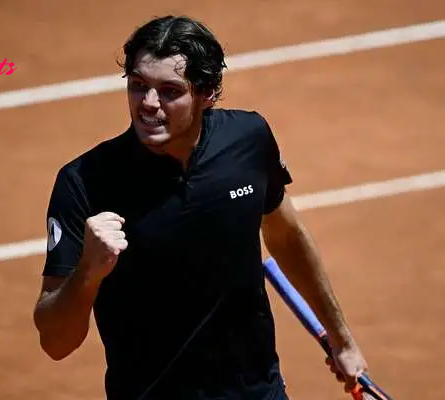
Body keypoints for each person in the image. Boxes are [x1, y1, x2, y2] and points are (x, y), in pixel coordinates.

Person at [33, 15, 369, 400]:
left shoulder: (247, 140)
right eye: (138, 86)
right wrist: (87, 274)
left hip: (257, 392)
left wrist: (341, 339)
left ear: (207, 93)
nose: (149, 104)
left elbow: (286, 236)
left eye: (169, 91)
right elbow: (55, 343)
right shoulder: (85, 183)